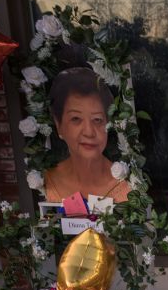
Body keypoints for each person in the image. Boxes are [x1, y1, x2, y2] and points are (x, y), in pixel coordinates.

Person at [43, 67, 131, 203]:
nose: (89, 132)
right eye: (76, 119)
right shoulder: (48, 180)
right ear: (58, 124)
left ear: (108, 123)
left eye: (97, 120)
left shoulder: (126, 186)